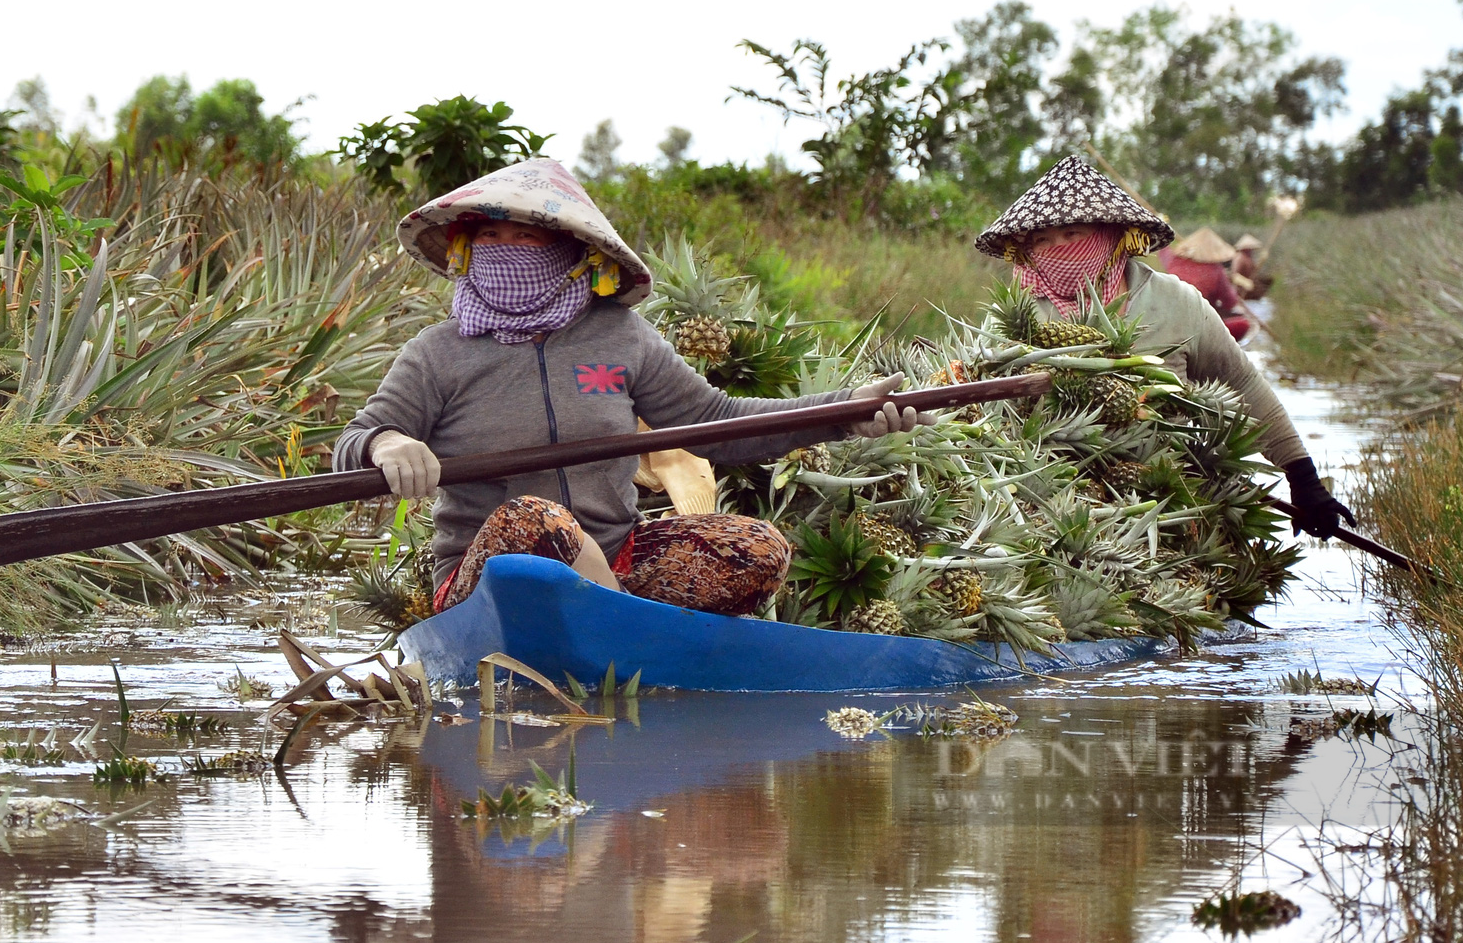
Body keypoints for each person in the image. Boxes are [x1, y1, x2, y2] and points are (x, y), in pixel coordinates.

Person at [334, 159, 920, 615]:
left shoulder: (621, 338)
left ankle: (610, 611)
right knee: (533, 520)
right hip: (490, 579)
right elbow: (355, 440)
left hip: (616, 556)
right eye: (490, 234)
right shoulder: (438, 353)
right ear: (466, 248)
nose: (504, 248)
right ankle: (623, 625)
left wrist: (845, 412)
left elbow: (717, 421)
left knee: (756, 548)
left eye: (527, 237)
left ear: (570, 252)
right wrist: (387, 445)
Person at [975, 156, 1355, 540]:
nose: (1058, 248)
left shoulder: (1176, 302)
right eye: (1042, 239)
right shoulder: (1016, 316)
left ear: (1111, 233)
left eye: (1072, 234)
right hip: (1053, 507)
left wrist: (1302, 476)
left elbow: (1242, 384)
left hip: (1167, 500)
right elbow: (980, 405)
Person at [1159, 226, 1250, 341]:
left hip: (1169, 317)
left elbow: (1163, 252)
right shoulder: (1216, 270)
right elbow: (1230, 302)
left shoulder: (1174, 260)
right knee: (1244, 324)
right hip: (1196, 323)